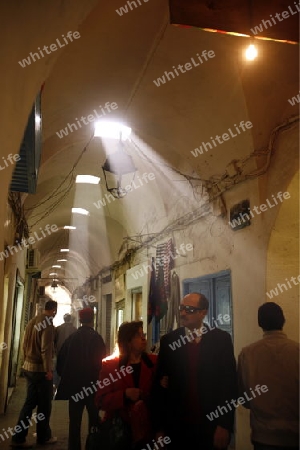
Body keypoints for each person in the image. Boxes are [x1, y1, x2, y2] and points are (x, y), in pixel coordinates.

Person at [153, 292, 237, 450]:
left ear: (203, 312)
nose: (183, 313)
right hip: (176, 428)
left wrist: (224, 425)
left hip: (210, 427)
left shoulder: (221, 340)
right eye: (182, 308)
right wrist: (159, 428)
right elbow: (159, 388)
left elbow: (229, 385)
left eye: (189, 309)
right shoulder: (169, 342)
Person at [238, 302, 299, 450]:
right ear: (283, 320)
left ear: (260, 323)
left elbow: (243, 398)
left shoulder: (247, 353)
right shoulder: (297, 351)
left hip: (263, 436)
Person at [95, 321, 157, 450]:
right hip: (119, 431)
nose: (143, 338)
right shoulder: (111, 367)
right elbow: (100, 401)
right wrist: (124, 395)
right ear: (127, 341)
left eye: (143, 334)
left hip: (148, 429)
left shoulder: (154, 363)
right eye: (137, 335)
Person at [56, 307, 106, 450]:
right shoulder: (97, 338)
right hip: (92, 387)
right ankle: (93, 445)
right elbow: (103, 363)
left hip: (75, 389)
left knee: (75, 422)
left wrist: (65, 377)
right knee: (94, 420)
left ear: (80, 319)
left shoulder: (72, 338)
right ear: (93, 319)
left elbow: (61, 361)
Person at [11, 299, 58, 448]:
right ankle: (43, 436)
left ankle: (18, 437)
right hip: (40, 370)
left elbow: (24, 344)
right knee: (44, 405)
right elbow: (45, 349)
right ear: (54, 311)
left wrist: (25, 361)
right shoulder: (48, 324)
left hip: (28, 368)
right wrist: (48, 370)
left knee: (29, 403)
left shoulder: (31, 322)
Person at [53, 313, 76, 390]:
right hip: (71, 355)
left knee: (58, 370)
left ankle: (57, 386)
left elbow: (54, 341)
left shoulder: (58, 329)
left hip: (59, 354)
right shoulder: (75, 330)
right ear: (70, 319)